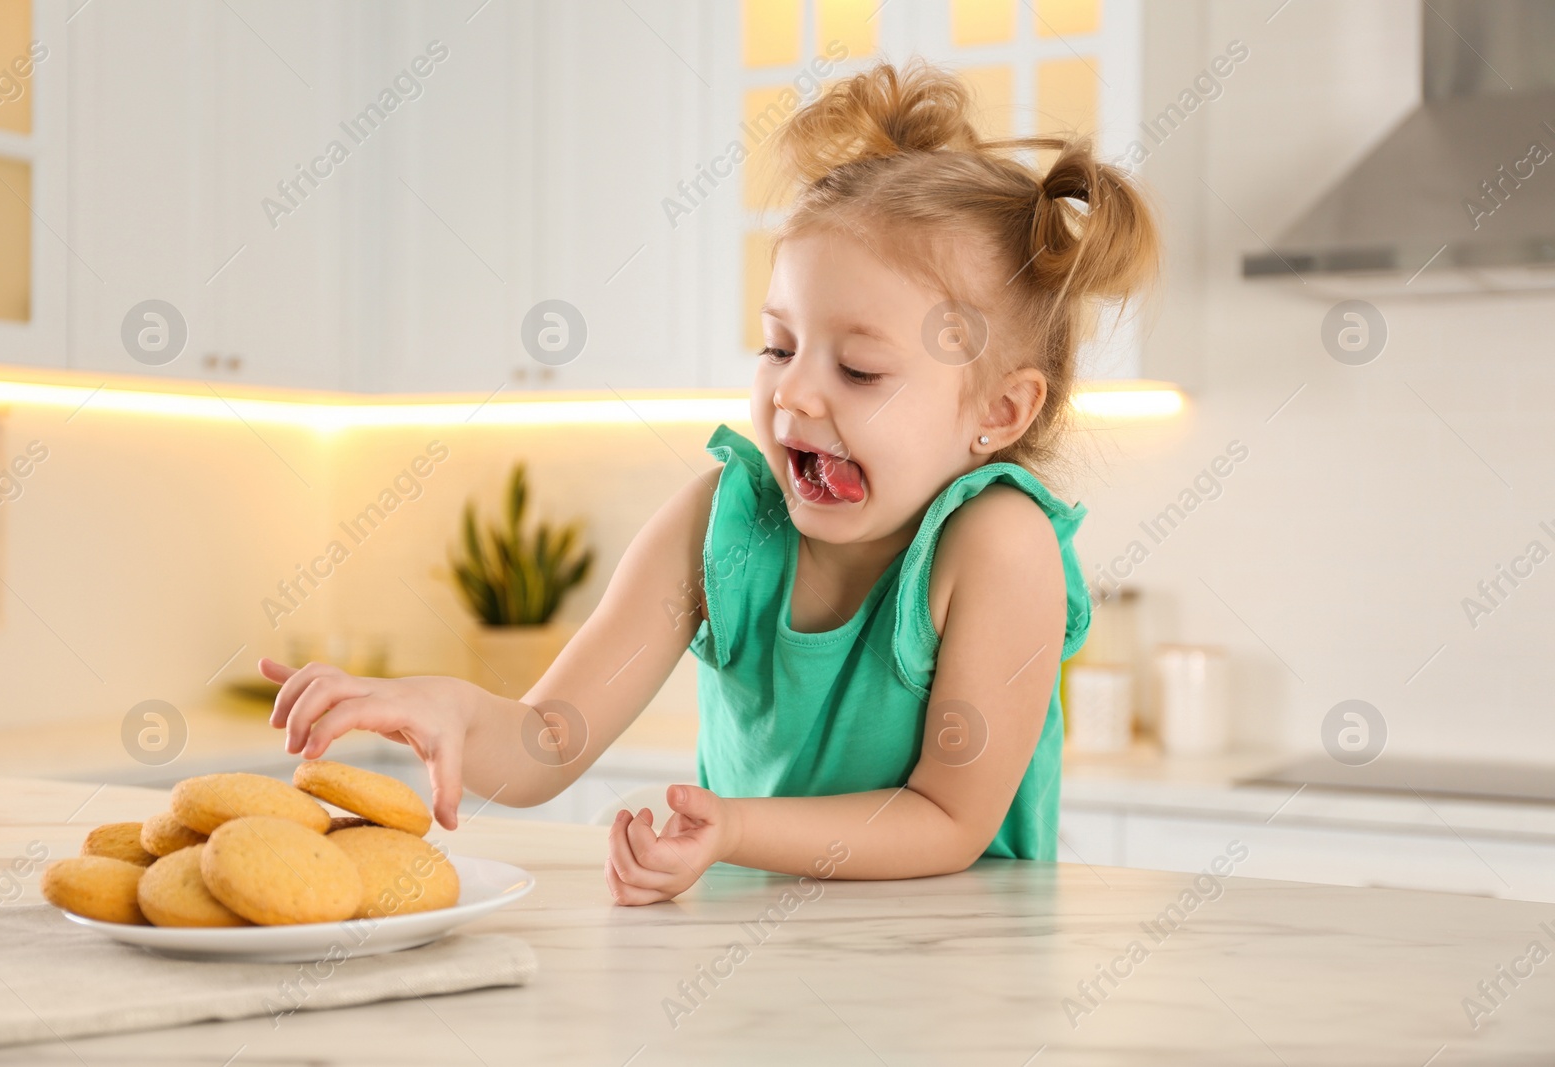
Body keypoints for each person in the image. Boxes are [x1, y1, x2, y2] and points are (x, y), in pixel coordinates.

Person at [261, 57, 1159, 905]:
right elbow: (545, 744)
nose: (795, 390)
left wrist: (731, 827)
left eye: (860, 369)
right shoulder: (723, 522)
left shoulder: (1000, 545)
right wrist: (447, 708)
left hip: (953, 963)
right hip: (748, 965)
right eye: (778, 346)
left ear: (998, 413)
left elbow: (948, 821)